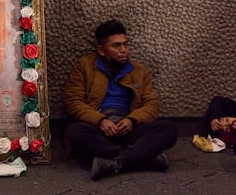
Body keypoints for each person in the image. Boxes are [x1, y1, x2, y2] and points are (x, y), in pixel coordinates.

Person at [64, 19, 178, 180]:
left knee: (168, 129)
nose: (123, 50)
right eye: (116, 46)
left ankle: (114, 163)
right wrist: (100, 120)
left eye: (126, 44)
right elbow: (73, 102)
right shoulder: (84, 66)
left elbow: (152, 104)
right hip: (99, 128)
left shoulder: (139, 70)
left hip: (128, 127)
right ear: (102, 50)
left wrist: (132, 120)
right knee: (75, 132)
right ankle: (145, 157)